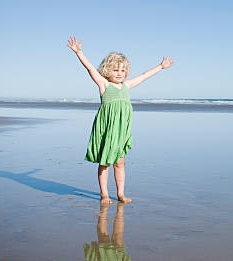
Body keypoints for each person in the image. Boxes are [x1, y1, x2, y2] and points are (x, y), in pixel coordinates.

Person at [67, 35, 174, 204]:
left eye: (122, 71)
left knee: (120, 162)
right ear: (107, 71)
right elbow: (89, 69)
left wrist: (161, 66)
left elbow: (145, 75)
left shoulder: (127, 86)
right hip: (107, 129)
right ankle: (104, 194)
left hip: (122, 130)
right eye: (115, 70)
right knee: (105, 162)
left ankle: (121, 194)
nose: (119, 74)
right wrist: (79, 53)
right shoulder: (104, 85)